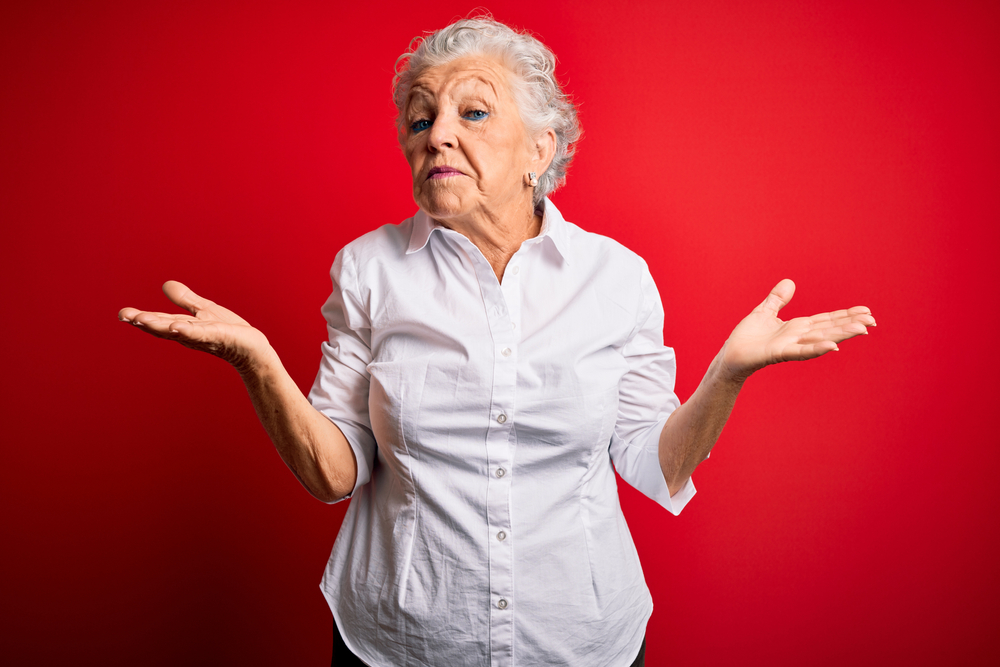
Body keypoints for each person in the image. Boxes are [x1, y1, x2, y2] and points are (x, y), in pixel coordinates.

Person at [118, 17, 875, 667]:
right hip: (401, 639)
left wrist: (727, 376)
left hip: (580, 640)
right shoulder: (368, 269)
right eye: (420, 118)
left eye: (472, 113)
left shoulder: (616, 276)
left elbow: (653, 460)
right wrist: (259, 364)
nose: (437, 132)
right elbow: (334, 473)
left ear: (539, 151)